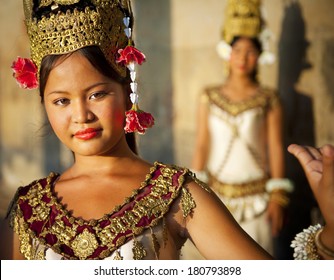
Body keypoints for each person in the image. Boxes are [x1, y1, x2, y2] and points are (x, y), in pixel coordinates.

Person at [0, 0, 333, 261]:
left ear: (127, 89)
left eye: (97, 94)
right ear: (43, 102)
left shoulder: (176, 195)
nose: (81, 115)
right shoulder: (28, 209)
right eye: (61, 101)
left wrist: (330, 238)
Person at [189, 0, 292, 257]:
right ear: (228, 52)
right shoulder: (209, 96)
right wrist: (191, 193)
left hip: (257, 201)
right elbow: (202, 144)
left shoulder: (269, 98)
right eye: (238, 50)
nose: (243, 58)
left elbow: (276, 147)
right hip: (215, 197)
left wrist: (277, 197)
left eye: (250, 51)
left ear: (259, 55)